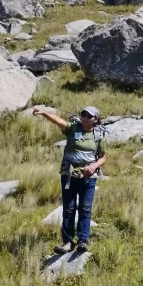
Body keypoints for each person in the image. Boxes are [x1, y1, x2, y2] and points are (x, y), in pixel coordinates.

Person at [32, 105, 108, 254]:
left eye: (88, 116)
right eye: (83, 114)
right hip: (69, 176)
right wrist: (44, 113)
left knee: (85, 209)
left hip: (88, 178)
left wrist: (94, 166)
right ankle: (67, 242)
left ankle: (82, 241)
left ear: (95, 120)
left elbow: (103, 157)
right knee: (69, 209)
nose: (84, 117)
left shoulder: (99, 136)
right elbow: (58, 121)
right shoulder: (73, 129)